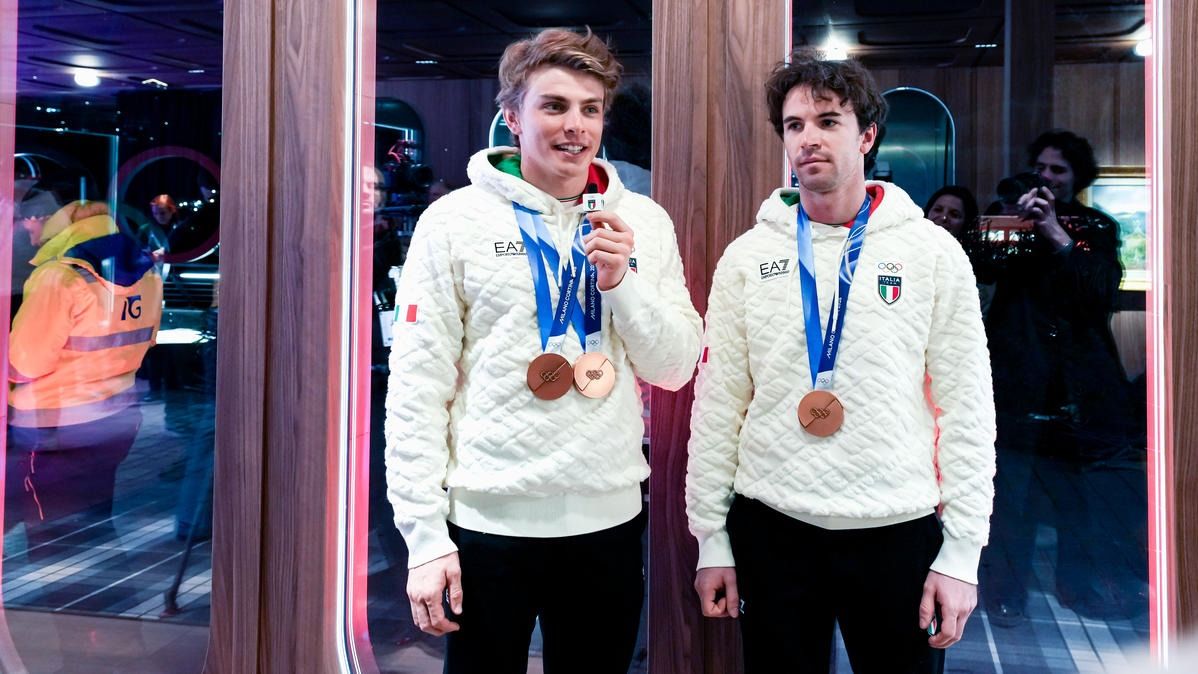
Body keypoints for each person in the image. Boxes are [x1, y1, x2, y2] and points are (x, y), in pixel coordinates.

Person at [383, 27, 701, 674]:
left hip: (608, 521)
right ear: (512, 116)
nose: (574, 126)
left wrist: (622, 284)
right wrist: (424, 537)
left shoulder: (644, 222)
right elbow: (417, 387)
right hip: (487, 524)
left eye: (590, 109)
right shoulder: (455, 222)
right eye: (554, 106)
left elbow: (673, 368)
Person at [685, 48, 995, 673]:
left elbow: (966, 405)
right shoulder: (747, 257)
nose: (809, 138)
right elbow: (719, 404)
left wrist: (963, 552)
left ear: (867, 135)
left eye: (828, 121)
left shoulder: (932, 253)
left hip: (896, 526)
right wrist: (711, 536)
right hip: (772, 524)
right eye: (795, 125)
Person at [979, 129, 1145, 626]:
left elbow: (1100, 290)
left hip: (1076, 380)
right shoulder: (1010, 217)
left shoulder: (1096, 227)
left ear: (1077, 178)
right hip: (1017, 371)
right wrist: (1012, 222)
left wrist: (1055, 232)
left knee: (1076, 494)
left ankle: (1077, 586)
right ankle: (1005, 591)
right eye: (1041, 168)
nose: (1047, 177)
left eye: (1059, 170)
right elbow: (982, 267)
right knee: (1011, 493)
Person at [6, 195, 163, 557]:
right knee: (92, 523)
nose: (25, 227)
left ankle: (76, 590)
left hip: (55, 427)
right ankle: (107, 586)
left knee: (53, 537)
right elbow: (146, 341)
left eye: (28, 218)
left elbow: (24, 364)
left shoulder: (59, 277)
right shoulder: (146, 272)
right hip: (113, 421)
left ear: (49, 221)